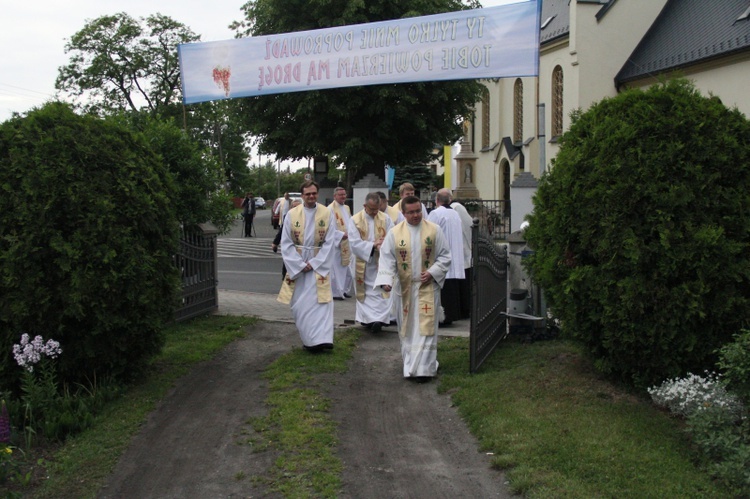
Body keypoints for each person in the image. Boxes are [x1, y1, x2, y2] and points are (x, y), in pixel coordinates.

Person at [375, 195, 451, 383]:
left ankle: (424, 369)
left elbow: (445, 256)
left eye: (418, 211)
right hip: (405, 289)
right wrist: (387, 280)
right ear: (404, 213)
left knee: (426, 329)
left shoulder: (434, 230)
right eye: (411, 212)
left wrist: (433, 272)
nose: (415, 215)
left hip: (427, 287)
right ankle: (410, 365)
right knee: (408, 329)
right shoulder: (395, 233)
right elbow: (387, 259)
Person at [277, 181, 337, 352]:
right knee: (300, 304)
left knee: (322, 302)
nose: (311, 196)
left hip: (319, 264)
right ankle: (309, 340)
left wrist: (316, 263)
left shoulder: (327, 213)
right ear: (302, 195)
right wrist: (299, 264)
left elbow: (330, 241)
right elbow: (286, 242)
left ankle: (323, 339)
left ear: (317, 194)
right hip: (298, 263)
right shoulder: (292, 214)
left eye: (314, 193)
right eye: (307, 194)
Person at [348, 192, 394, 333]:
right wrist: (372, 245)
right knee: (366, 292)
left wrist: (383, 244)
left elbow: (393, 237)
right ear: (365, 206)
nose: (375, 212)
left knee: (381, 290)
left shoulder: (385, 219)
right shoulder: (355, 220)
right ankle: (367, 319)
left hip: (381, 261)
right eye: (372, 209)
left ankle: (380, 320)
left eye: (377, 209)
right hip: (363, 262)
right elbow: (354, 243)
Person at [427, 189, 466, 326]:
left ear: (437, 201)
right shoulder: (455, 214)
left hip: (442, 254)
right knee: (452, 288)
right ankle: (451, 315)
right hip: (454, 254)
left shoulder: (435, 213)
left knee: (443, 290)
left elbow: (428, 232)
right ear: (449, 200)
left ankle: (442, 318)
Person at [328, 186, 354, 300]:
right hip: (338, 244)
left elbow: (350, 222)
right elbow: (329, 228)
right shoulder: (330, 209)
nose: (343, 196)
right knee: (337, 270)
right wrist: (340, 235)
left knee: (348, 269)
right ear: (335, 196)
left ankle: (344, 290)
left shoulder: (347, 208)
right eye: (340, 195)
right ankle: (336, 292)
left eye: (344, 194)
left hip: (347, 243)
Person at [451, 197, 474, 319]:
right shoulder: (457, 208)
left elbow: (468, 227)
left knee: (464, 284)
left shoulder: (456, 207)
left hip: (463, 251)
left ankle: (466, 309)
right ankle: (465, 309)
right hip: (461, 252)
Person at [272, 199, 301, 279]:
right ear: (291, 208)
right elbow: (282, 231)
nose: (296, 208)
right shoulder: (288, 216)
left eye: (298, 206)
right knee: (287, 263)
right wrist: (275, 243)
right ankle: (285, 278)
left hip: (301, 247)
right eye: (294, 207)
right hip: (291, 245)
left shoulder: (306, 217)